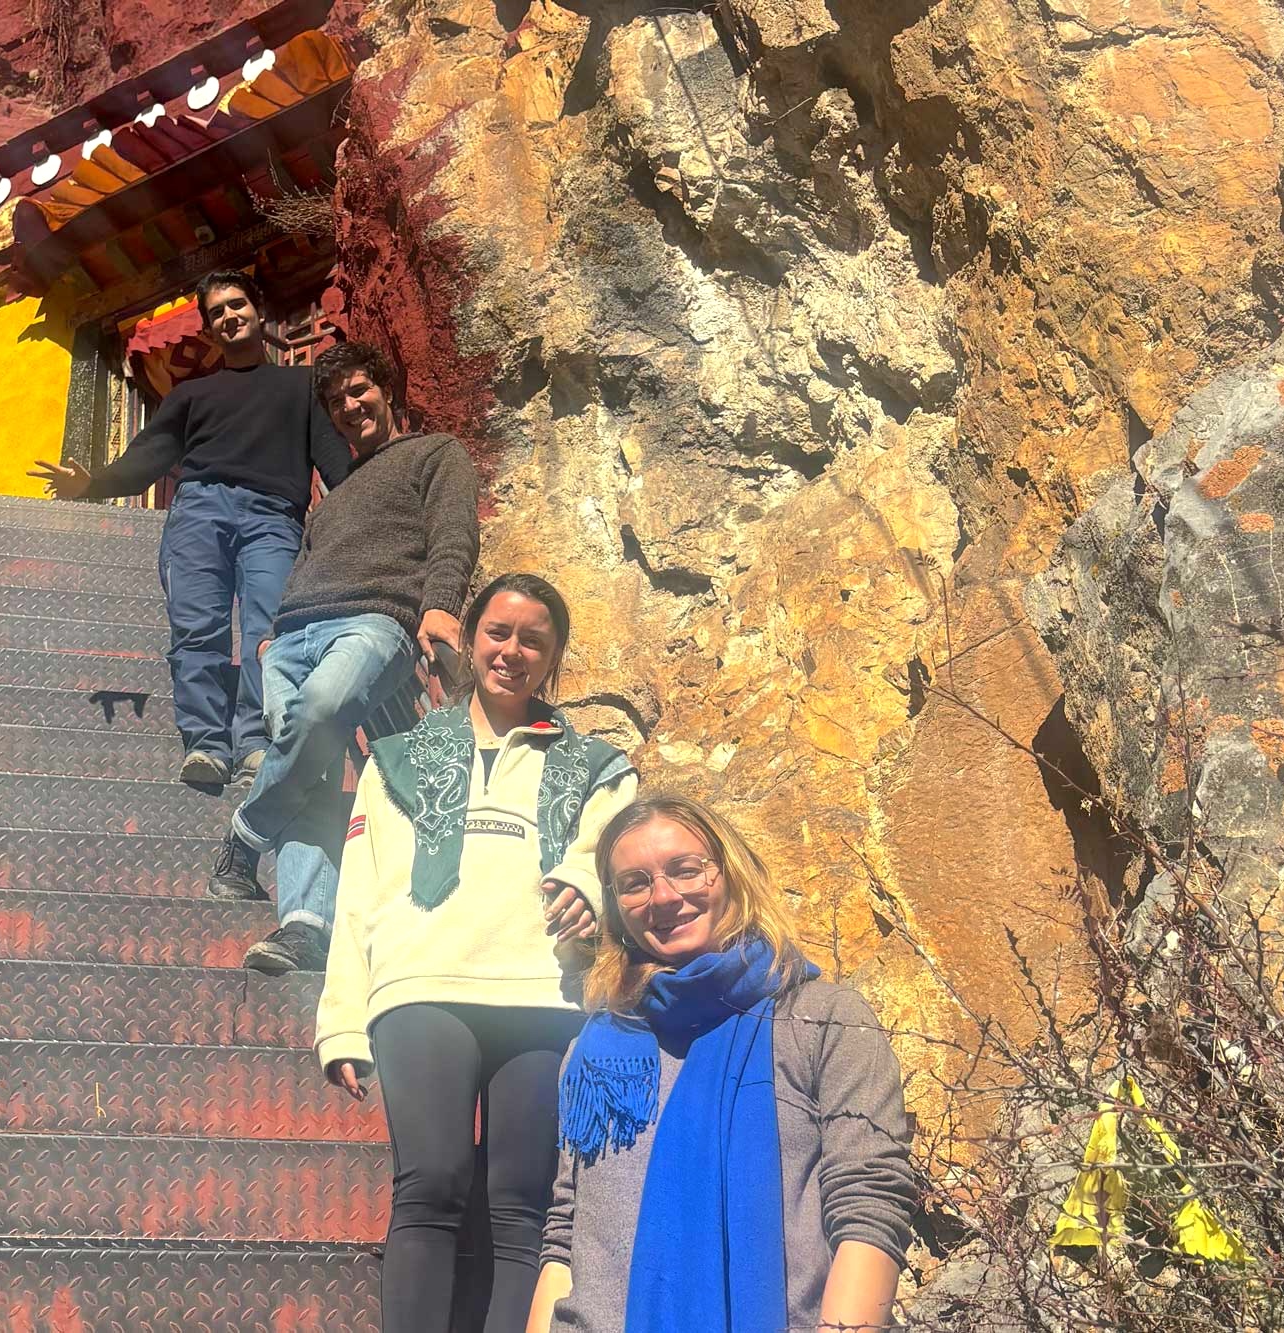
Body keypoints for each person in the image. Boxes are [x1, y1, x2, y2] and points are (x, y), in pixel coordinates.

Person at [315, 572, 639, 1333]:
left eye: (533, 639)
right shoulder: (395, 759)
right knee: (430, 1183)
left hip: (542, 993)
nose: (512, 651)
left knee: (522, 1203)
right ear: (471, 637)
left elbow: (613, 853)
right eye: (499, 632)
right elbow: (359, 890)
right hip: (421, 982)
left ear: (553, 656)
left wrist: (591, 885)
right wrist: (341, 1021)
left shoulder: (598, 766)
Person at [527, 794, 917, 1333]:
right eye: (634, 883)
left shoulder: (822, 1018)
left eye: (686, 871)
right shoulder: (596, 1049)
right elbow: (566, 1233)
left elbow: (870, 1198)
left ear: (732, 874)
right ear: (615, 906)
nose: (663, 897)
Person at [208, 341, 479, 975]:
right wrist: (273, 634)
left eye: (359, 391)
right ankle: (304, 925)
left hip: (375, 621)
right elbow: (304, 566)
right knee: (308, 768)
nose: (350, 406)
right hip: (293, 638)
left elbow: (453, 533)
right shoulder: (331, 498)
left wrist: (440, 605)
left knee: (320, 716)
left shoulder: (435, 453)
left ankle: (244, 836)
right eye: (336, 402)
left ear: (387, 390)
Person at [30, 271, 351, 786]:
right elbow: (150, 456)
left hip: (274, 517)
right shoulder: (191, 394)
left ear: (258, 309)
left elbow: (334, 461)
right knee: (197, 627)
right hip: (200, 511)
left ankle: (254, 741)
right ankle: (205, 743)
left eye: (237, 305)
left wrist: (361, 503)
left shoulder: (302, 385)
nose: (229, 316)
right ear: (208, 329)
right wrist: (93, 483)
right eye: (217, 312)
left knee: (268, 629)